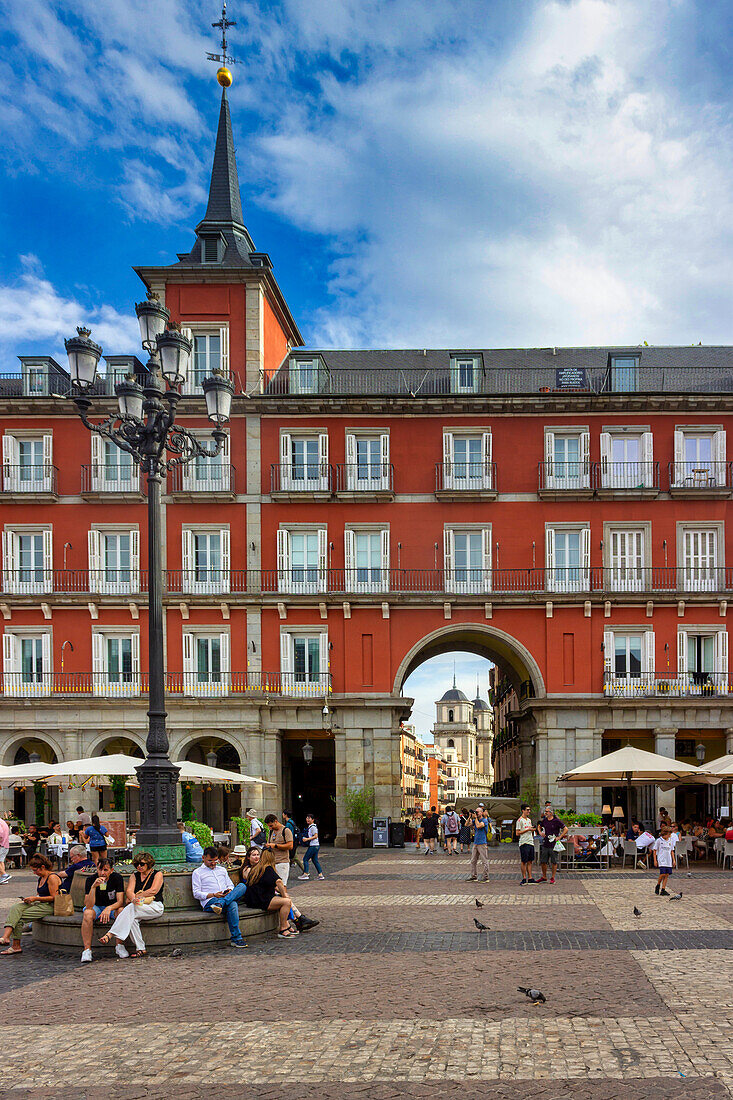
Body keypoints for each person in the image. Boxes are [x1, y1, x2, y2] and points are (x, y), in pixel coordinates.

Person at [100, 852, 164, 958]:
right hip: (138, 906)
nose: (139, 866)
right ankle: (141, 948)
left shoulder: (157, 874)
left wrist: (136, 897)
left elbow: (153, 890)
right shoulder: (134, 876)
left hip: (154, 905)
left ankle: (110, 934)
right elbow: (129, 891)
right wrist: (134, 899)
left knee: (130, 908)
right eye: (137, 864)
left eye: (142, 864)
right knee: (132, 919)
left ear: (149, 864)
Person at [245, 848, 317, 938]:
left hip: (255, 898)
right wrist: (284, 895)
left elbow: (269, 884)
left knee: (284, 901)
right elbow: (278, 882)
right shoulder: (268, 868)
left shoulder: (258, 867)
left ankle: (289, 925)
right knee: (286, 902)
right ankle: (283, 929)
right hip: (260, 899)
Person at [0, 854, 61, 955]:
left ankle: (16, 946)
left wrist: (35, 898)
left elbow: (54, 897)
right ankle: (6, 937)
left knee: (18, 919)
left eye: (35, 870)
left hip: (51, 906)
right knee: (16, 907)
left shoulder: (52, 877)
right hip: (40, 903)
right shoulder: (41, 877)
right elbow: (40, 894)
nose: (34, 873)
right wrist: (30, 900)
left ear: (42, 867)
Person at [191, 847, 248, 948]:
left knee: (242, 886)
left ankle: (221, 903)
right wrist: (213, 895)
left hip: (223, 898)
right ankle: (236, 938)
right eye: (210, 861)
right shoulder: (197, 873)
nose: (213, 863)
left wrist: (229, 891)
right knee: (233, 904)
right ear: (203, 858)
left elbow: (230, 885)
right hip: (210, 901)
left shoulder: (222, 870)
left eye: (215, 860)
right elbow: (196, 893)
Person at [80, 858, 125, 963]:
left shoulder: (117, 878)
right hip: (96, 906)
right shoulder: (91, 880)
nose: (102, 873)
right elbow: (88, 905)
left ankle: (119, 945)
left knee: (122, 911)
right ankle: (87, 950)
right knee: (87, 913)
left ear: (111, 870)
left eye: (105, 870)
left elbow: (120, 901)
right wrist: (93, 888)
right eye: (100, 870)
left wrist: (108, 908)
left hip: (112, 907)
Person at [537, 805, 567, 884]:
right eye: (545, 811)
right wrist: (540, 832)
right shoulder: (545, 820)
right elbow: (539, 826)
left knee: (554, 861)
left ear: (551, 812)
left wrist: (559, 837)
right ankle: (544, 876)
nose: (545, 813)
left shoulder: (556, 821)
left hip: (553, 844)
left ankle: (553, 877)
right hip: (546, 843)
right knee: (543, 861)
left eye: (547, 811)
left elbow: (565, 829)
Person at [263, 814, 294, 885]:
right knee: (273, 886)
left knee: (282, 886)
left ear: (276, 821)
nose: (270, 828)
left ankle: (285, 896)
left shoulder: (286, 830)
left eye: (271, 825)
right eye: (269, 826)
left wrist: (276, 846)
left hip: (282, 862)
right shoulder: (271, 831)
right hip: (272, 863)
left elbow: (290, 846)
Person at [466, 806, 490, 883]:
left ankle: (486, 877)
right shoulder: (475, 820)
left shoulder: (484, 820)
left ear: (482, 813)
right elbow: (466, 824)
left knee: (484, 860)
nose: (476, 813)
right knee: (473, 860)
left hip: (482, 842)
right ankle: (474, 876)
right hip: (476, 843)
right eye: (475, 812)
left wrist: (475, 818)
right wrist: (469, 816)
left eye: (478, 812)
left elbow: (479, 826)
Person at [298, 814, 325, 880]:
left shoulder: (313, 827)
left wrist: (307, 839)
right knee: (315, 860)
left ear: (313, 820)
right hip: (315, 845)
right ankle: (320, 875)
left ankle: (305, 874)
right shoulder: (311, 827)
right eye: (307, 818)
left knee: (305, 859)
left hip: (313, 845)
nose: (307, 819)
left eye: (309, 818)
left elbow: (316, 836)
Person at [652, 822, 676, 896]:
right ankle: (658, 884)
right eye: (669, 834)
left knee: (667, 874)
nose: (669, 836)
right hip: (661, 859)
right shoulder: (659, 840)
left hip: (668, 859)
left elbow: (671, 851)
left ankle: (663, 889)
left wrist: (674, 860)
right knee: (662, 873)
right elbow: (655, 850)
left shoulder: (670, 841)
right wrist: (655, 860)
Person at [515, 803, 535, 885]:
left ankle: (530, 877)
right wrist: (527, 830)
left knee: (530, 860)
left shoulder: (529, 820)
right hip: (524, 842)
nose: (529, 811)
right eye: (527, 810)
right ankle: (524, 877)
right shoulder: (520, 821)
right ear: (523, 810)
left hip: (530, 841)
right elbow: (517, 833)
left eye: (529, 810)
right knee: (524, 861)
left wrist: (531, 830)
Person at [0, 816, 10, 885]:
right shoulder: (3, 822)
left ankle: (4, 874)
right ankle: (3, 878)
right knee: (1, 861)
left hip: (1, 845)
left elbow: (0, 834)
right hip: (5, 845)